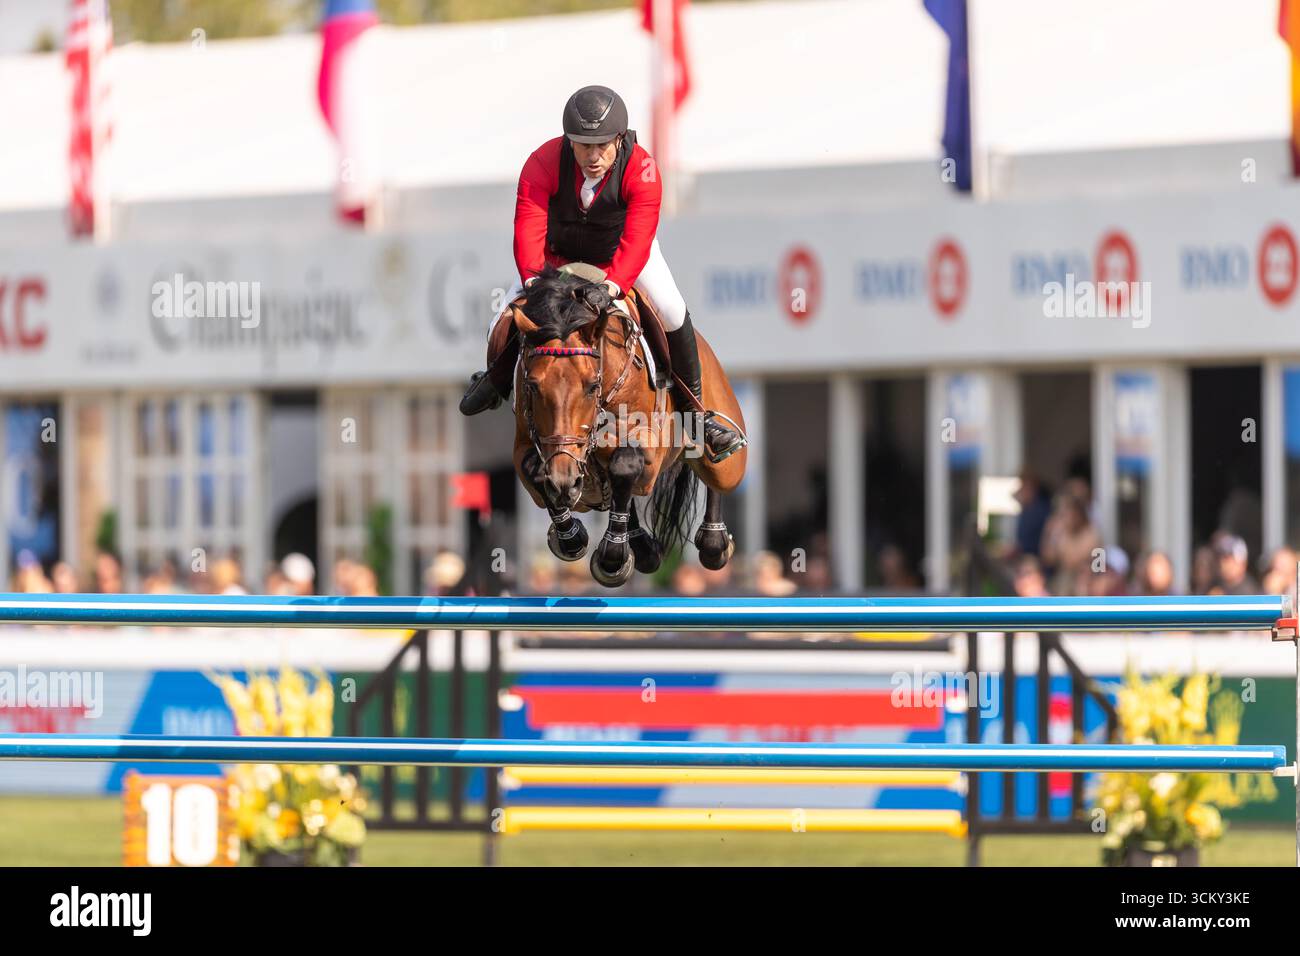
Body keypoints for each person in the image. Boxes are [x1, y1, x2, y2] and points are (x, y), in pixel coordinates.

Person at [457, 84, 743, 462]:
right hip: (558, 261)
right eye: (583, 146)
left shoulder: (641, 169)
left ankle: (696, 414)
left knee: (672, 310)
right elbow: (528, 228)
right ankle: (495, 380)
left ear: (620, 139)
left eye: (602, 146)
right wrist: (534, 281)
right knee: (505, 316)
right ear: (568, 141)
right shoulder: (541, 163)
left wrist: (612, 285)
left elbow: (638, 239)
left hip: (620, 256)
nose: (593, 156)